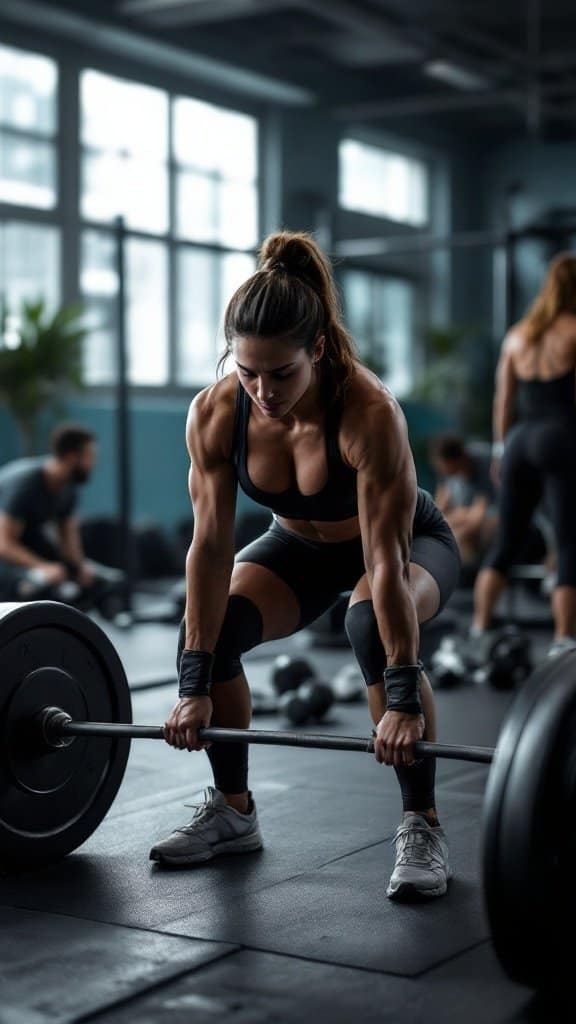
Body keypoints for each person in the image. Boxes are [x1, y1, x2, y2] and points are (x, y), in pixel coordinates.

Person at [151, 231, 461, 902]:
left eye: (281, 373)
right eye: (246, 371)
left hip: (405, 545)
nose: (262, 389)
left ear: (316, 349)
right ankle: (234, 813)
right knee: (211, 628)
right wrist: (192, 680)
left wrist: (402, 698)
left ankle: (422, 821)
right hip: (294, 548)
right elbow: (209, 548)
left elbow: (384, 560)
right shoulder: (214, 413)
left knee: (368, 628)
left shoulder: (369, 413)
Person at [471, 252, 576, 659]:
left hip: (518, 440)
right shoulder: (573, 331)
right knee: (569, 543)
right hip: (560, 438)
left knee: (506, 541)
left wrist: (500, 448)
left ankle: (479, 630)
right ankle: (564, 641)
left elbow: (504, 399)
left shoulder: (519, 334)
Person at [0, 423, 103, 606]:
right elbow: (4, 544)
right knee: (33, 583)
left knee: (73, 575)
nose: (93, 463)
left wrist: (79, 568)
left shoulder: (68, 487)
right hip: (5, 544)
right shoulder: (27, 485)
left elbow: (68, 537)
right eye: (90, 456)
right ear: (72, 457)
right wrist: (42, 567)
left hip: (25, 537)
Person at [430, 435, 497, 568]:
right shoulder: (450, 475)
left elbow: (478, 515)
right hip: (469, 514)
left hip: (496, 514)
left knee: (463, 535)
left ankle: (471, 574)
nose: (442, 471)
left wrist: (454, 532)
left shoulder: (482, 462)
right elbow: (439, 510)